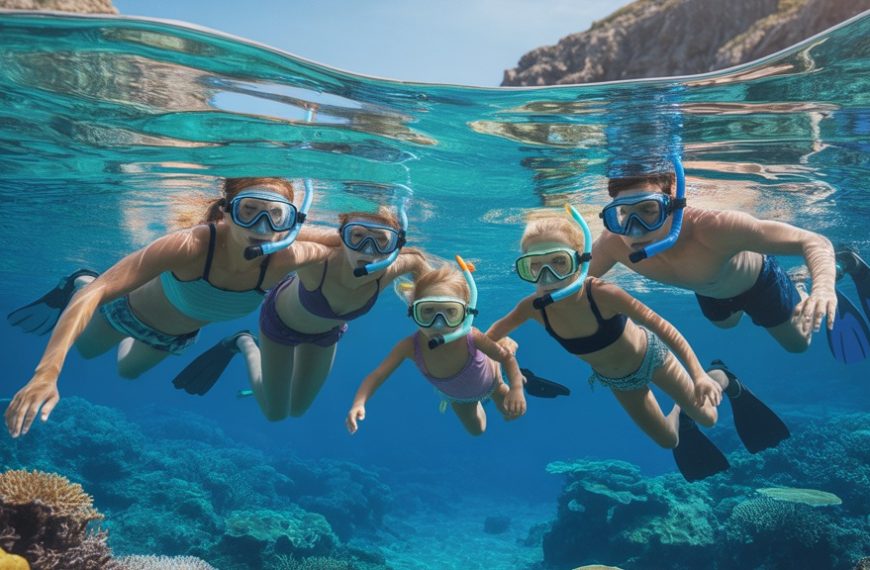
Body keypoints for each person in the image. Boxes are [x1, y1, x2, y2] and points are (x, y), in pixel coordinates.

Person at [5, 177, 333, 438]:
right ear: (226, 211)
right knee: (88, 349)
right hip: (123, 311)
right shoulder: (191, 245)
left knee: (127, 371)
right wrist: (46, 372)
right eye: (249, 211)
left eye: (276, 215)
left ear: (291, 222)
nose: (262, 228)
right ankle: (80, 279)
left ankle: (238, 342)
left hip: (176, 336)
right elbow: (100, 293)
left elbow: (348, 242)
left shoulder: (287, 257)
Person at [485, 206, 789, 481]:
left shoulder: (602, 293)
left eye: (559, 263)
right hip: (617, 380)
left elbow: (665, 328)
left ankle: (721, 376)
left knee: (708, 418)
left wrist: (697, 375)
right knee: (669, 440)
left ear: (580, 261)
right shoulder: (531, 307)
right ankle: (682, 415)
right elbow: (485, 342)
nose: (548, 276)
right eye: (535, 267)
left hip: (653, 358)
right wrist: (507, 374)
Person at [171, 203, 434, 421]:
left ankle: (271, 375)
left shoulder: (394, 268)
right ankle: (243, 342)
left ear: (395, 247)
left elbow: (421, 264)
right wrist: (336, 239)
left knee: (297, 410)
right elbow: (284, 231)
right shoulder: (319, 259)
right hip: (279, 326)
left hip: (327, 334)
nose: (367, 249)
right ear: (342, 235)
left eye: (380, 241)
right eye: (357, 236)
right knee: (275, 413)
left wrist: (421, 305)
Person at [588, 162, 850, 357]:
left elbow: (813, 241)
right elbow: (569, 283)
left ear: (673, 206)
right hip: (709, 289)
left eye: (648, 211)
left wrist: (823, 287)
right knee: (725, 325)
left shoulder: (715, 228)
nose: (635, 229)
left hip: (760, 283)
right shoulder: (612, 243)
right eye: (623, 214)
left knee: (797, 345)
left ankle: (806, 281)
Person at [346, 259, 528, 436]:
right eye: (428, 311)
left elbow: (505, 358)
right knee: (477, 431)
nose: (438, 323)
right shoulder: (410, 346)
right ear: (413, 312)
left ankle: (501, 341)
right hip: (459, 397)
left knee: (509, 410)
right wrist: (358, 403)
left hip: (493, 382)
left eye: (450, 312)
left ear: (465, 314)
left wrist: (517, 388)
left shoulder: (471, 336)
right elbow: (378, 374)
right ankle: (484, 387)